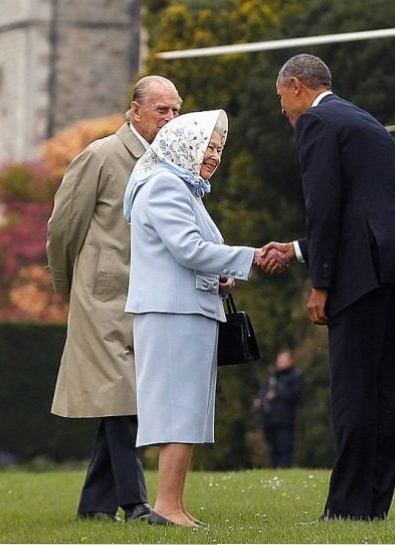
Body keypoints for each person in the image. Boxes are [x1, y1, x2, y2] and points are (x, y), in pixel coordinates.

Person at [265, 53, 395, 521]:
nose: (284, 110)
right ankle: (374, 504)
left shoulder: (317, 123)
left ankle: (345, 509)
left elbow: (326, 209)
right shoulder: (367, 122)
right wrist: (300, 250)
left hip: (361, 276)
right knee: (385, 392)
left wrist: (320, 283)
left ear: (297, 85)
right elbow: (364, 210)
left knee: (353, 393)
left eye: (282, 99)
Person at [124, 109, 278, 528]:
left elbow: (187, 256)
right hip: (172, 313)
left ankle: (172, 504)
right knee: (176, 409)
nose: (213, 156)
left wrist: (220, 276)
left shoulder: (183, 189)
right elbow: (188, 249)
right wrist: (248, 257)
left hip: (186, 309)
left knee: (187, 409)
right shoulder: (164, 187)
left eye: (218, 149)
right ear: (183, 144)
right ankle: (166, 507)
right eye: (207, 146)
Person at [46, 75, 182, 522]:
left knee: (124, 399)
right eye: (162, 109)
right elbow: (63, 229)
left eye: (176, 110)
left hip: (150, 297)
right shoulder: (101, 155)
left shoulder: (170, 164)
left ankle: (94, 506)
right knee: (125, 401)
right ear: (135, 110)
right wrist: (71, 288)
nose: (170, 118)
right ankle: (135, 502)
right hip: (103, 299)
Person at [253, 349, 304, 468]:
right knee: (273, 448)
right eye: (279, 360)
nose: (280, 363)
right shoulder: (273, 377)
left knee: (284, 447)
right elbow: (264, 391)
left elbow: (295, 394)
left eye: (283, 360)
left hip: (285, 419)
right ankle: (275, 469)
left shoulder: (295, 376)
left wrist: (277, 394)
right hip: (270, 419)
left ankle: (285, 468)